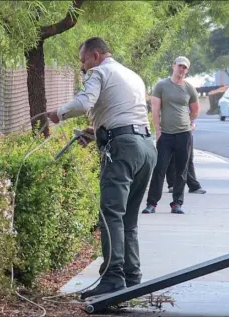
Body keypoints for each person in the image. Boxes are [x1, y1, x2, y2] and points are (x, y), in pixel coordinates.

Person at [48, 37, 157, 299]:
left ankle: (112, 278)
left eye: (83, 61)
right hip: (145, 146)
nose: (82, 68)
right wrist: (98, 132)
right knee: (128, 219)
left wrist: (59, 113)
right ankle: (132, 277)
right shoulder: (131, 75)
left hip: (122, 150)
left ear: (96, 56)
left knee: (110, 216)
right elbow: (124, 115)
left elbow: (84, 103)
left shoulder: (99, 72)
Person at [142, 56, 200, 215]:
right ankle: (151, 204)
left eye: (185, 68)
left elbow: (195, 110)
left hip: (184, 134)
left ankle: (177, 203)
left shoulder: (189, 88)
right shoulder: (161, 85)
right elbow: (155, 109)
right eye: (179, 66)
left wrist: (191, 123)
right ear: (173, 66)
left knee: (181, 170)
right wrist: (158, 130)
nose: (181, 70)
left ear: (187, 70)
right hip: (166, 134)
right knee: (159, 168)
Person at [165, 124, 206, 194]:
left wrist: (192, 123)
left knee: (188, 159)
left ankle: (193, 186)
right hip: (168, 130)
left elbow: (194, 114)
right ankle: (172, 184)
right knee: (171, 158)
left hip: (185, 129)